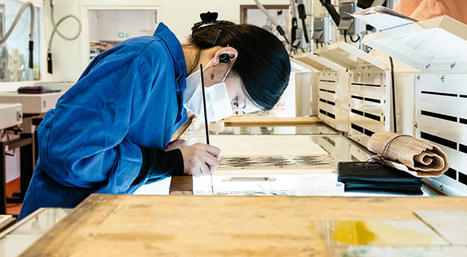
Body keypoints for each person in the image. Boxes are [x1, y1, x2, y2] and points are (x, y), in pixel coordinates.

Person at [18, 12, 291, 219]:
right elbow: (69, 154)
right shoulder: (143, 60)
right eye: (235, 101)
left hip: (93, 216)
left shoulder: (174, 95)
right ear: (225, 58)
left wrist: (167, 161)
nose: (227, 110)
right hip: (58, 220)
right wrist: (167, 161)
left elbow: (130, 162)